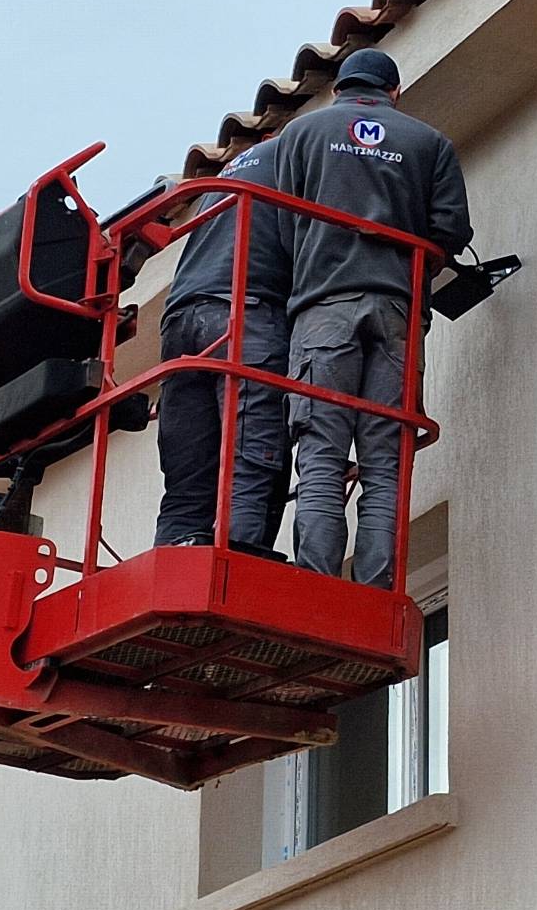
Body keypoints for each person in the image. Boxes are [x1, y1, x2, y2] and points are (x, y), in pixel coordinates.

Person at [274, 48, 472, 586]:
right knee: (385, 464)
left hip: (323, 309)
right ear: (395, 93)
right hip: (397, 313)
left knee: (322, 457)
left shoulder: (301, 134)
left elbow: (283, 225)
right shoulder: (429, 142)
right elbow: (452, 231)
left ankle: (315, 585)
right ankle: (376, 589)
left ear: (338, 88)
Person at [152, 137, 293, 552]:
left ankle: (173, 571)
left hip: (181, 324)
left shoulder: (232, 172)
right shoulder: (301, 155)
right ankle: (236, 567)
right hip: (243, 311)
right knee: (253, 462)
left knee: (188, 482)